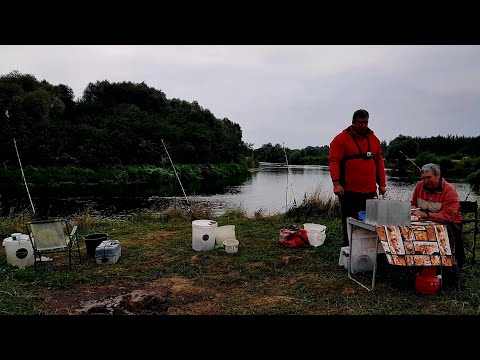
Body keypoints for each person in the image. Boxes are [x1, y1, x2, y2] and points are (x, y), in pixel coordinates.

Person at [329, 109, 387, 247]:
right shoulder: (340, 139)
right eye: (360, 122)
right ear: (353, 122)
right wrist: (336, 183)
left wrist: (382, 184)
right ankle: (349, 248)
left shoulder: (374, 140)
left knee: (370, 220)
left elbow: (379, 162)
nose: (363, 125)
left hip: (370, 190)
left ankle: (368, 248)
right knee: (350, 220)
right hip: (349, 190)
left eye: (366, 122)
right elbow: (334, 161)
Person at [411, 163, 465, 268]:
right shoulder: (419, 186)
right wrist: (412, 209)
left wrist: (427, 215)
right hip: (425, 221)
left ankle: (448, 263)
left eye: (428, 177)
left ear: (438, 175)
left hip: (450, 224)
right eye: (423, 178)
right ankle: (417, 259)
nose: (425, 181)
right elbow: (413, 204)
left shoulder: (449, 190)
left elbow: (449, 216)